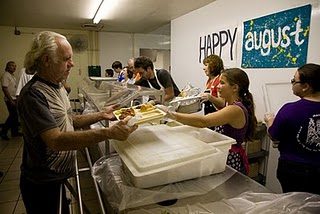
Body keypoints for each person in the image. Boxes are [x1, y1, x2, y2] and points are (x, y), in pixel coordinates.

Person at [17, 31, 138, 214]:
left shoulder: (57, 86)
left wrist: (101, 115)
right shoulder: (34, 94)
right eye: (66, 59)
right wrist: (108, 133)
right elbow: (56, 140)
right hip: (43, 183)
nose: (71, 64)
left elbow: (68, 120)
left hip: (58, 177)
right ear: (46, 60)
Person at [163, 68, 257, 175]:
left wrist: (171, 114)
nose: (217, 86)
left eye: (222, 83)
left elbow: (204, 121)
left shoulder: (235, 109)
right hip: (225, 155)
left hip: (231, 158)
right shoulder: (230, 105)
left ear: (235, 87)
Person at [264, 63, 320, 195]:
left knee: (294, 205)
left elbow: (273, 135)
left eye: (294, 81)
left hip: (295, 170)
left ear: (306, 86)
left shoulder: (290, 109)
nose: (292, 83)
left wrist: (270, 120)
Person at [1, 61, 21, 140]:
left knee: (15, 116)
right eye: (12, 66)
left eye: (15, 66)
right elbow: (4, 88)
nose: (14, 67)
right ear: (7, 66)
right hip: (10, 99)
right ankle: (3, 132)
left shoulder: (12, 76)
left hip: (14, 98)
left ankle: (14, 132)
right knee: (12, 116)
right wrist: (11, 100)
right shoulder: (6, 75)